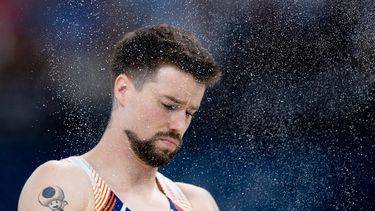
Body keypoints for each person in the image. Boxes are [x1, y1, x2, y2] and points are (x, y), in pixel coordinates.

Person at [18, 24, 222, 211]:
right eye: (168, 105)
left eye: (189, 113)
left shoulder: (197, 203)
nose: (178, 125)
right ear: (123, 89)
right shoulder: (65, 183)